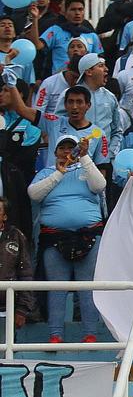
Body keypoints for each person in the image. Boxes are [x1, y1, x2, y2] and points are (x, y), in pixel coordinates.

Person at [28, 135, 105, 344]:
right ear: (55, 152)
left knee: (87, 286)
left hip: (88, 235)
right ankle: (55, 335)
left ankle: (90, 334)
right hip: (54, 238)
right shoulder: (46, 173)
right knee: (56, 287)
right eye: (62, 148)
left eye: (72, 148)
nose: (67, 152)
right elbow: (34, 194)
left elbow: (100, 185)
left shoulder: (86, 169)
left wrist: (85, 156)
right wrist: (59, 174)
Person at [0, 197, 35, 330]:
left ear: (5, 216)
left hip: (8, 309)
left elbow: (25, 274)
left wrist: (22, 309)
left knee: (6, 350)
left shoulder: (16, 236)